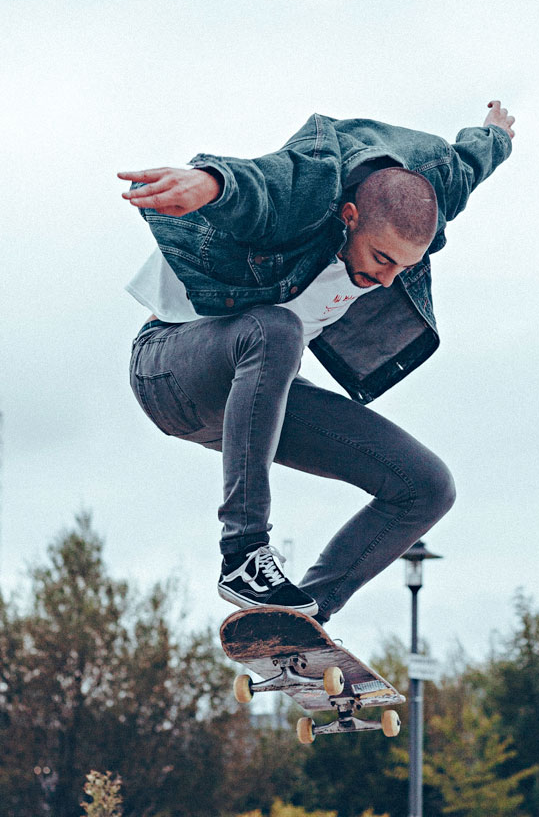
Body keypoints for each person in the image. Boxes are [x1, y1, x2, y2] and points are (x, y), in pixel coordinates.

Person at [120, 103, 515, 625]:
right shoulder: (308, 192)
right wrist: (210, 183)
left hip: (258, 393)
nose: (388, 280)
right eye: (381, 259)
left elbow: (466, 165)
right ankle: (243, 557)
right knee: (276, 329)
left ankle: (299, 622)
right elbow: (261, 185)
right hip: (171, 368)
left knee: (426, 487)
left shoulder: (427, 199)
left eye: (404, 267)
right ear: (349, 217)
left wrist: (496, 136)